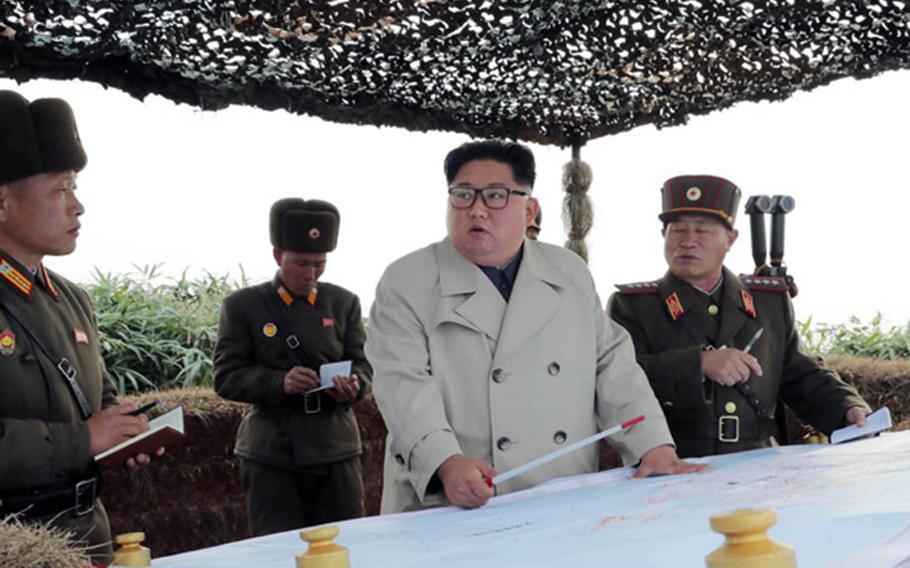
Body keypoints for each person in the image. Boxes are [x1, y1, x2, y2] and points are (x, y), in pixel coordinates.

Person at [365, 140, 706, 514]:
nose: (477, 210)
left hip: (560, 496)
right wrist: (445, 461)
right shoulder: (407, 281)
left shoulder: (568, 271)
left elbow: (612, 365)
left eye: (495, 196)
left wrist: (652, 444)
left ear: (529, 209)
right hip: (455, 501)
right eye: (462, 195)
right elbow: (402, 385)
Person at [0, 90, 159, 565]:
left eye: (75, 188)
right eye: (61, 189)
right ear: (2, 203)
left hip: (87, 537)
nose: (78, 206)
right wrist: (82, 440)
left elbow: (99, 398)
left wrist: (125, 431)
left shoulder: (71, 298)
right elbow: (83, 430)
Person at [607, 175, 870, 458]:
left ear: (730, 239)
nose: (688, 242)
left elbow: (799, 373)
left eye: (702, 230)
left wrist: (847, 408)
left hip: (757, 464)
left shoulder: (769, 302)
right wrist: (697, 364)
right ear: (663, 237)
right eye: (677, 230)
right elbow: (618, 382)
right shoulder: (633, 306)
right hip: (673, 464)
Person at [214, 198, 372, 536]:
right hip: (273, 454)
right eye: (301, 263)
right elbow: (226, 378)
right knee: (279, 551)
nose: (310, 274)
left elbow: (364, 366)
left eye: (319, 264)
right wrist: (279, 382)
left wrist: (353, 385)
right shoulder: (244, 306)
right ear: (277, 255)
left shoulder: (344, 303)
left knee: (345, 545)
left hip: (336, 450)